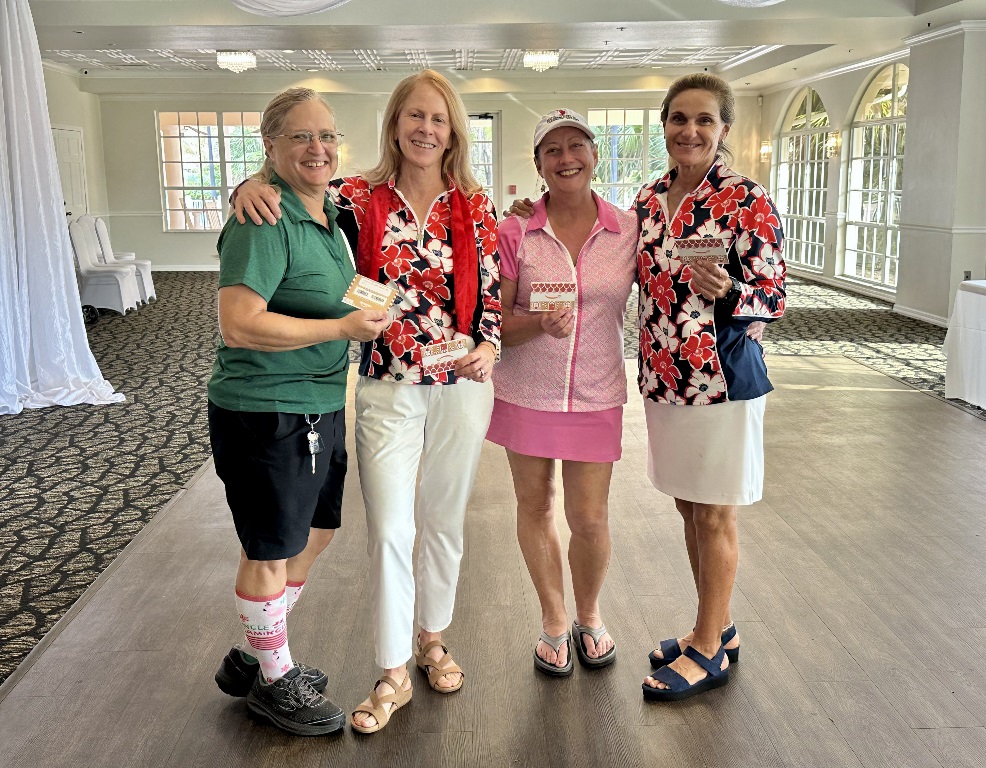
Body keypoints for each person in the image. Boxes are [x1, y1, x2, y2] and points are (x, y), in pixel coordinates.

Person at [233, 70, 500, 733]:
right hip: (386, 384)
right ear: (394, 124)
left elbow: (491, 294)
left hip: (462, 386)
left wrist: (490, 345)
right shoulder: (355, 197)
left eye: (437, 119)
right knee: (389, 529)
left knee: (443, 520)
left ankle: (432, 638)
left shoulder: (476, 204)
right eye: (414, 116)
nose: (425, 129)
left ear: (453, 132)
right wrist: (247, 184)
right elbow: (293, 193)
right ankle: (391, 671)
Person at [207, 87, 389, 736]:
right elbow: (239, 323)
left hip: (319, 402)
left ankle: (260, 652)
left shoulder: (333, 211)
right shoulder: (263, 218)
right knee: (270, 548)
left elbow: (344, 289)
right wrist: (341, 329)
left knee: (316, 531)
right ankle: (274, 679)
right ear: (271, 145)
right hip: (265, 408)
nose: (319, 148)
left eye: (327, 135)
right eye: (301, 136)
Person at [637, 73, 786, 702]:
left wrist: (732, 292)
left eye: (704, 120)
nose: (690, 130)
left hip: (721, 377)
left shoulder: (746, 199)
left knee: (715, 511)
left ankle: (706, 648)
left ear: (724, 128)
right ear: (664, 125)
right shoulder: (650, 198)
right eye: (679, 118)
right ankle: (717, 625)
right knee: (687, 505)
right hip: (663, 378)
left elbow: (775, 296)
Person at [487, 109, 636, 676]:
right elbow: (494, 323)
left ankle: (589, 616)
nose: (566, 157)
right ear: (538, 164)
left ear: (595, 155)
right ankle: (553, 619)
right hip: (525, 391)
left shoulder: (628, 230)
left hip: (597, 392)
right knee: (535, 506)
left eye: (577, 145)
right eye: (552, 149)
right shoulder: (515, 232)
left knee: (589, 518)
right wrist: (536, 323)